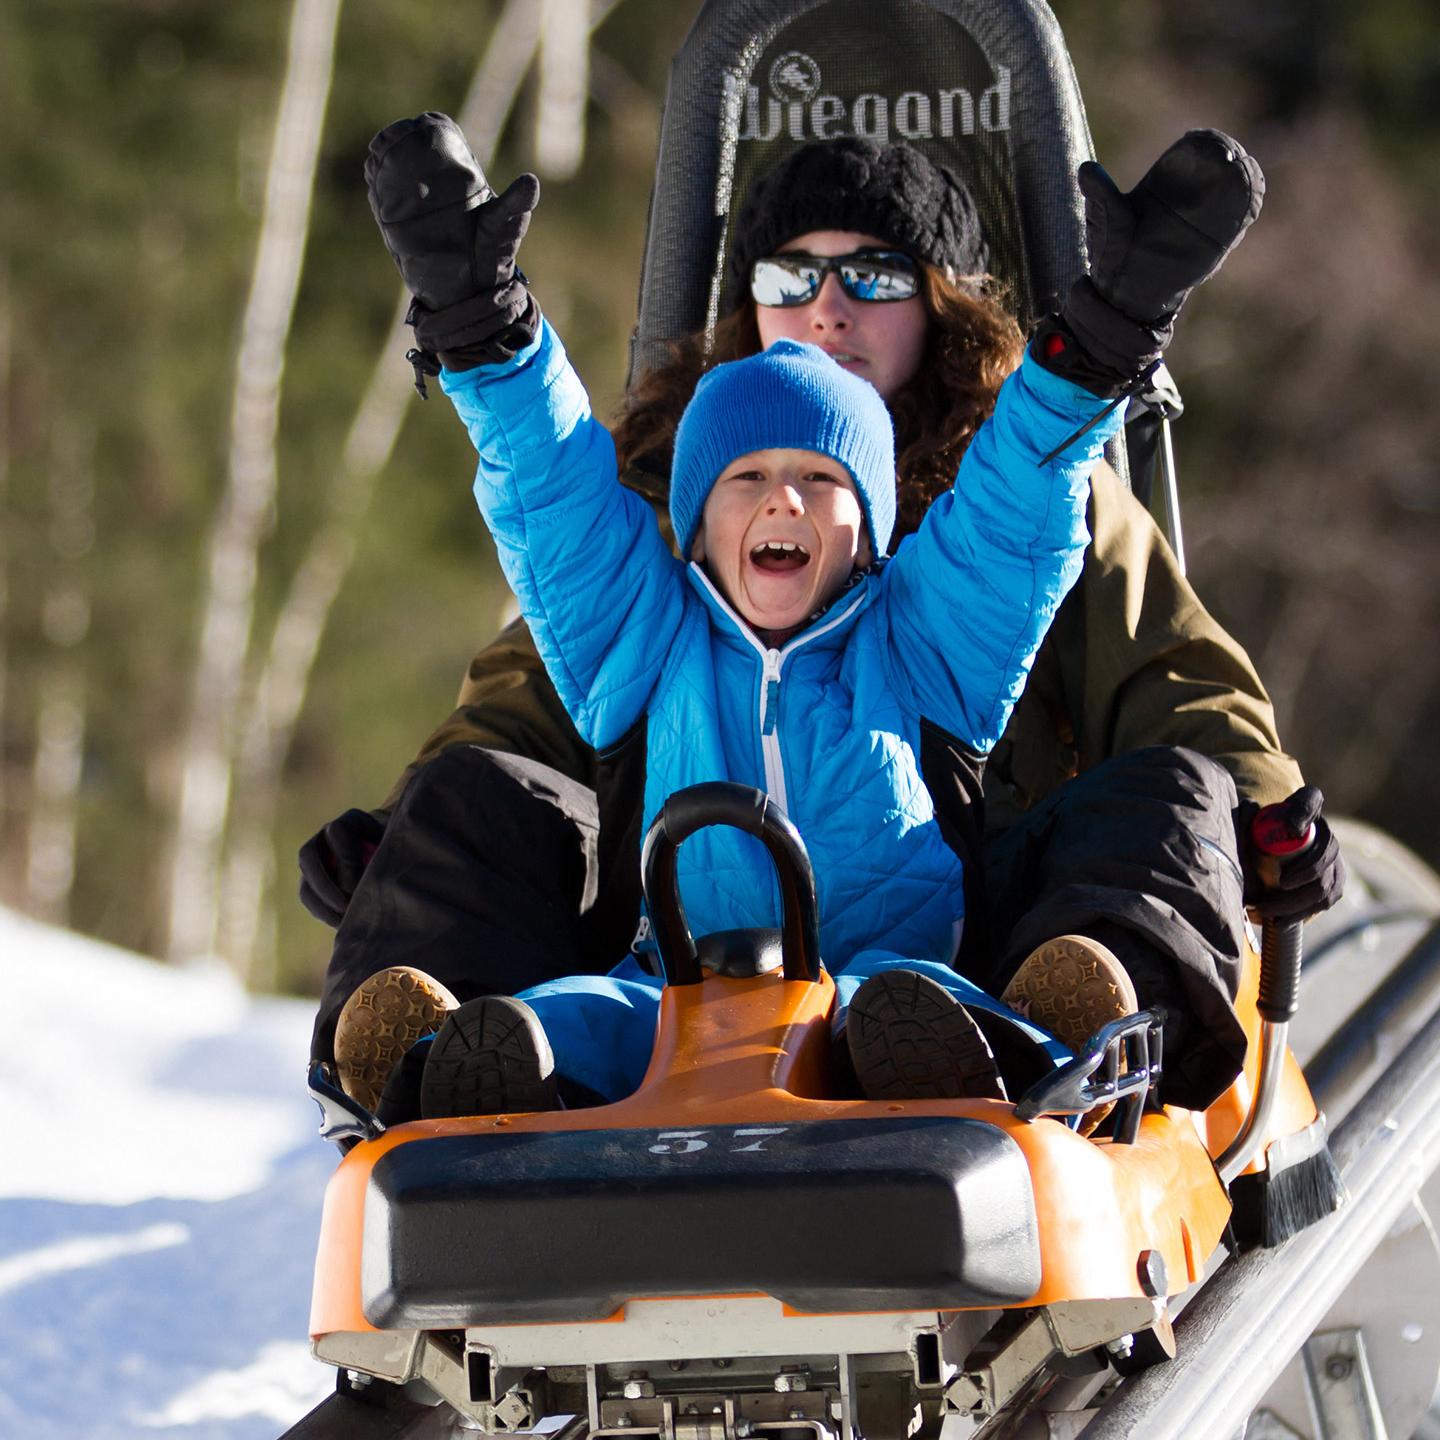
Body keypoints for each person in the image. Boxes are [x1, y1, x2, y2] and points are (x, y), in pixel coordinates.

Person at [310, 115, 1322, 1121]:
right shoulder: (664, 510)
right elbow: (538, 607)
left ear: (943, 307)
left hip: (969, 932)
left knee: (1170, 795)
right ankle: (439, 1057)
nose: (827, 311)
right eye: (790, 279)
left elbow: (1168, 668)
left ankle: (1069, 1023)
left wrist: (1261, 809)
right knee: (475, 802)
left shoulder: (1031, 518)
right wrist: (481, 329)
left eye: (872, 277)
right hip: (673, 948)